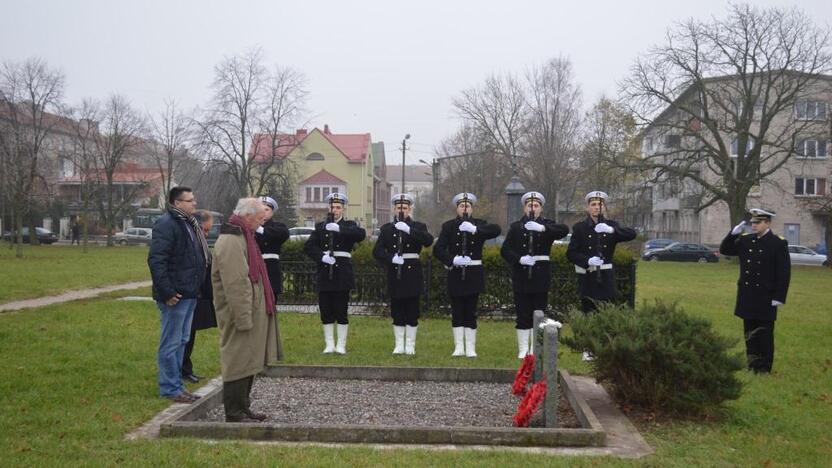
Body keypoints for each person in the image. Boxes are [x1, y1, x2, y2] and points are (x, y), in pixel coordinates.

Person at [212, 197, 279, 422]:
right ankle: (234, 411)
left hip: (251, 310)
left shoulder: (244, 236)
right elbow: (236, 284)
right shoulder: (232, 241)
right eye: (260, 218)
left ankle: (243, 406)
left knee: (248, 359)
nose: (262, 223)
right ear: (248, 216)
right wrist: (243, 317)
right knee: (238, 360)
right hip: (240, 313)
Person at [147, 186, 209, 403]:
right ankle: (170, 388)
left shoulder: (188, 224)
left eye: (194, 199)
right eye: (189, 200)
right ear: (177, 203)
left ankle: (178, 385)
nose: (194, 203)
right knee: (171, 342)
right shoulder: (167, 224)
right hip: (176, 295)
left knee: (182, 340)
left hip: (190, 292)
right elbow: (157, 260)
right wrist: (168, 292)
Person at [719, 208, 791, 374]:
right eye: (752, 222)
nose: (754, 225)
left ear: (767, 223)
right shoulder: (746, 240)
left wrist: (779, 296)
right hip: (747, 294)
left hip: (766, 296)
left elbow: (783, 272)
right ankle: (752, 364)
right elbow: (726, 251)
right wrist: (732, 235)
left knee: (765, 333)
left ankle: (764, 367)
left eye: (757, 222)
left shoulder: (778, 243)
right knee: (749, 332)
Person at [567, 191, 636, 361]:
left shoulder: (612, 225)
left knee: (605, 311)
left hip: (605, 276)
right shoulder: (580, 228)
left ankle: (604, 347)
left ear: (604, 206)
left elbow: (631, 234)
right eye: (593, 204)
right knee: (589, 311)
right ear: (587, 207)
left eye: (600, 204)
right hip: (589, 275)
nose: (597, 207)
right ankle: (588, 348)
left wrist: (611, 230)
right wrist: (588, 260)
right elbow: (571, 253)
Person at [500, 191, 568, 359]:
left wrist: (542, 228)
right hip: (522, 274)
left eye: (536, 206)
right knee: (522, 312)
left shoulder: (547, 225)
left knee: (539, 312)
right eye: (530, 205)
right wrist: (520, 259)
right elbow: (505, 250)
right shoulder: (516, 226)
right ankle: (523, 349)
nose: (533, 208)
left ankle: (535, 347)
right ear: (524, 208)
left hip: (540, 275)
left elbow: (563, 230)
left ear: (541, 209)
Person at [433, 192, 501, 357]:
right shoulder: (448, 226)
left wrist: (475, 229)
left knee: (470, 310)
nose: (465, 208)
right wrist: (452, 260)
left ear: (472, 208)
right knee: (457, 310)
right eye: (462, 206)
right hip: (456, 272)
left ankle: (470, 347)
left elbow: (496, 230)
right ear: (457, 208)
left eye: (468, 206)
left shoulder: (479, 224)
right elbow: (438, 249)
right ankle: (459, 346)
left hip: (473, 273)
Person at [303, 192, 366, 354]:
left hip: (342, 273)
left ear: (343, 209)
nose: (335, 210)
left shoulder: (350, 224)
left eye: (338, 207)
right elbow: (309, 247)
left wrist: (339, 229)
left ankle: (341, 345)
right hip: (324, 271)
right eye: (332, 207)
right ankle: (329, 344)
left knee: (341, 310)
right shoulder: (320, 227)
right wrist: (322, 257)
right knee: (326, 309)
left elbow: (360, 235)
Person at [373, 193, 434, 355]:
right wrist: (391, 258)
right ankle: (399, 344)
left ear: (410, 209)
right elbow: (377, 251)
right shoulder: (387, 229)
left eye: (405, 208)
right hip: (395, 271)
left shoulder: (418, 226)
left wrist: (408, 230)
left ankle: (410, 344)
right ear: (394, 209)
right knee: (397, 309)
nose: (402, 210)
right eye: (399, 208)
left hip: (412, 271)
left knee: (412, 310)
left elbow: (428, 240)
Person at [181, 211, 218, 383]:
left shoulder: (201, 243)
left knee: (191, 332)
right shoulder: (190, 242)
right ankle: (181, 370)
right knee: (184, 334)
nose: (206, 234)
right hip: (190, 292)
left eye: (209, 231)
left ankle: (186, 369)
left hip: (199, 293)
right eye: (205, 229)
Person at [255, 196, 290, 359]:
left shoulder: (278, 227)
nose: (263, 212)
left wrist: (262, 230)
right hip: (254, 270)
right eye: (260, 209)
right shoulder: (250, 226)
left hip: (270, 271)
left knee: (270, 308)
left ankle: (269, 343)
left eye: (267, 210)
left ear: (272, 212)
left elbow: (282, 234)